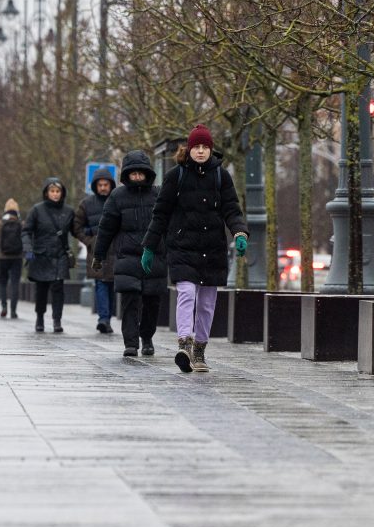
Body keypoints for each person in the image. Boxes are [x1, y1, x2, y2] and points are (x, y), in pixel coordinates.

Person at [142, 125, 248, 373]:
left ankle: (199, 349)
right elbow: (160, 214)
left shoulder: (222, 177)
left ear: (210, 150)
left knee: (208, 303)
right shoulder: (175, 177)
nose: (200, 151)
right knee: (187, 293)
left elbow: (231, 209)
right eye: (196, 147)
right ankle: (185, 343)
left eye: (205, 147)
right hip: (182, 246)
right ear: (188, 149)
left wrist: (240, 232)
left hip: (212, 248)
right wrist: (149, 245)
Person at [93, 151, 167, 357]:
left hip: (155, 257)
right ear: (126, 174)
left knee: (152, 303)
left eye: (140, 173)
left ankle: (147, 337)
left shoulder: (158, 194)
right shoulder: (117, 197)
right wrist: (98, 255)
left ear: (147, 173)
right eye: (132, 173)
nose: (136, 177)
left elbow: (167, 225)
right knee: (130, 303)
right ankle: (131, 343)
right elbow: (106, 228)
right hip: (127, 258)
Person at [22, 177, 74, 333]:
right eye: (52, 191)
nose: (55, 194)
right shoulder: (37, 210)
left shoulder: (69, 211)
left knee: (58, 289)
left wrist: (92, 236)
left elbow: (77, 230)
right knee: (41, 289)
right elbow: (26, 231)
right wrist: (28, 249)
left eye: (58, 191)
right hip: (41, 256)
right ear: (46, 193)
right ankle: (40, 318)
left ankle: (57, 320)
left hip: (60, 255)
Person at [74, 167, 116, 334]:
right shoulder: (86, 204)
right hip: (96, 250)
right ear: (95, 186)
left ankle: (107, 318)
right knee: (100, 283)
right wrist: (89, 241)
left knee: (112, 284)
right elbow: (77, 226)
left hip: (115, 250)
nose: (103, 187)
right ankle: (103, 319)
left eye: (106, 184)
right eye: (100, 185)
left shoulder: (117, 200)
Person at [0, 198, 24, 319]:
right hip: (17, 258)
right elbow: (28, 242)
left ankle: (4, 307)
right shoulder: (22, 224)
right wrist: (30, 257)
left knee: (2, 282)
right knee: (14, 284)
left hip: (2, 258)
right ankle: (13, 310)